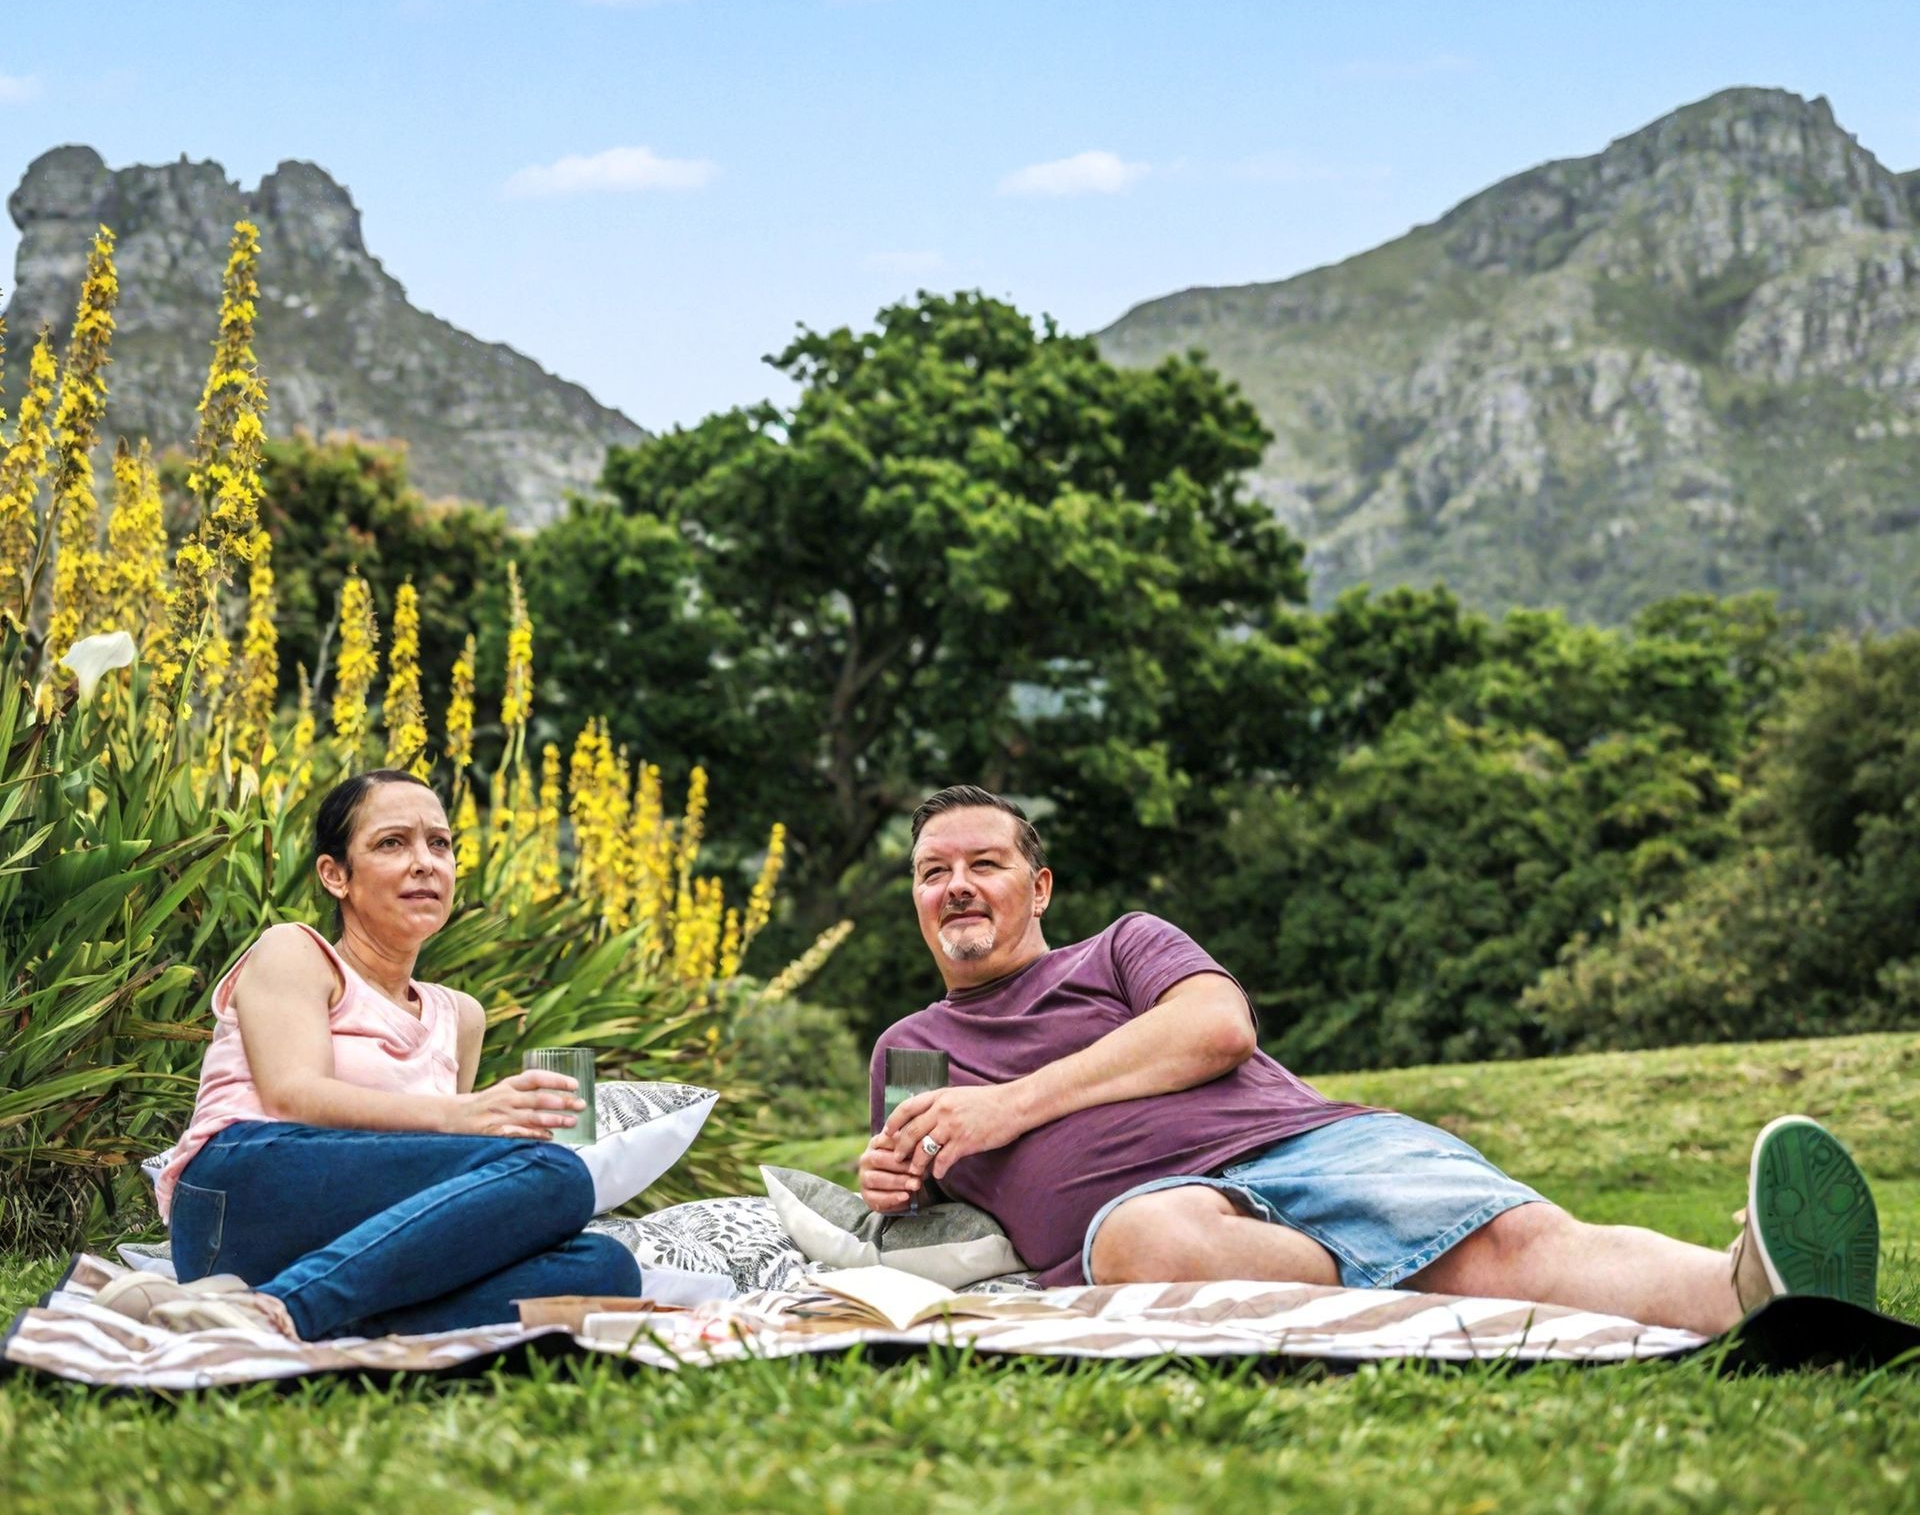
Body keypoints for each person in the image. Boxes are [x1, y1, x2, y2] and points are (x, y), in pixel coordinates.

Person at [861, 785, 1880, 1332]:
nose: (958, 885)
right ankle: (1415, 1291)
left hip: (1311, 1144)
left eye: (984, 862)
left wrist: (1010, 1106)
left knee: (1514, 1241)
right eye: (932, 871)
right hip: (1156, 1218)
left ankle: (1753, 1283)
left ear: (1038, 887)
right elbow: (917, 1197)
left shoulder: (1124, 945)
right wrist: (893, 1183)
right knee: (1144, 1240)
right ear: (916, 896)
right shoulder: (914, 1048)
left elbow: (1216, 1029)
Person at [96, 767, 641, 1341]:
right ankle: (286, 1310)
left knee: (606, 1268)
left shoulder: (461, 1016)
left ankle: (266, 1311)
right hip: (242, 1192)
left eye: (439, 843)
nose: (425, 862)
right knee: (557, 1176)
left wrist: (497, 1146)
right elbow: (292, 1094)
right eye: (392, 843)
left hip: (355, 1245)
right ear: (335, 875)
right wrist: (470, 1117)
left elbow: (437, 1174)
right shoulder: (296, 952)